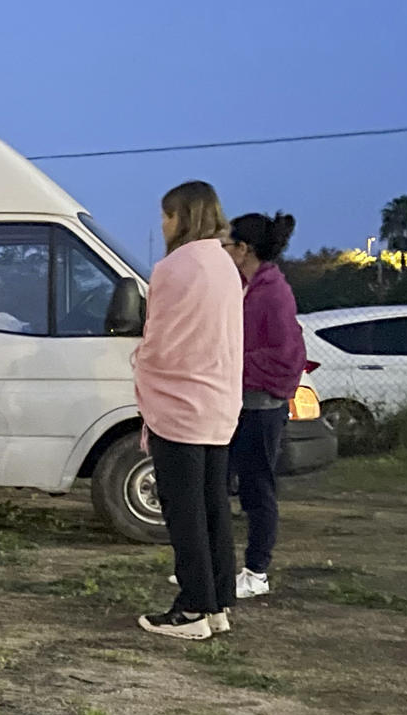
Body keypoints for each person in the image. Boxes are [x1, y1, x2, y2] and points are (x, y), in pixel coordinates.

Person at [134, 181, 244, 641]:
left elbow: (161, 339)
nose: (162, 225)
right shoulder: (225, 264)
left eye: (166, 215)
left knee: (184, 511)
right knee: (213, 506)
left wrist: (140, 362)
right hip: (219, 402)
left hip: (180, 403)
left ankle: (193, 607)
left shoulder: (174, 267)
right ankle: (218, 602)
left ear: (183, 217)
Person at [224, 211, 306, 600]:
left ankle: (257, 572)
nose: (223, 250)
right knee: (220, 483)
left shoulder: (273, 292)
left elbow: (287, 355)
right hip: (238, 400)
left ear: (244, 248)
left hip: (262, 404)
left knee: (257, 488)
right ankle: (217, 567)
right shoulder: (245, 286)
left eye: (228, 243)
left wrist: (236, 362)